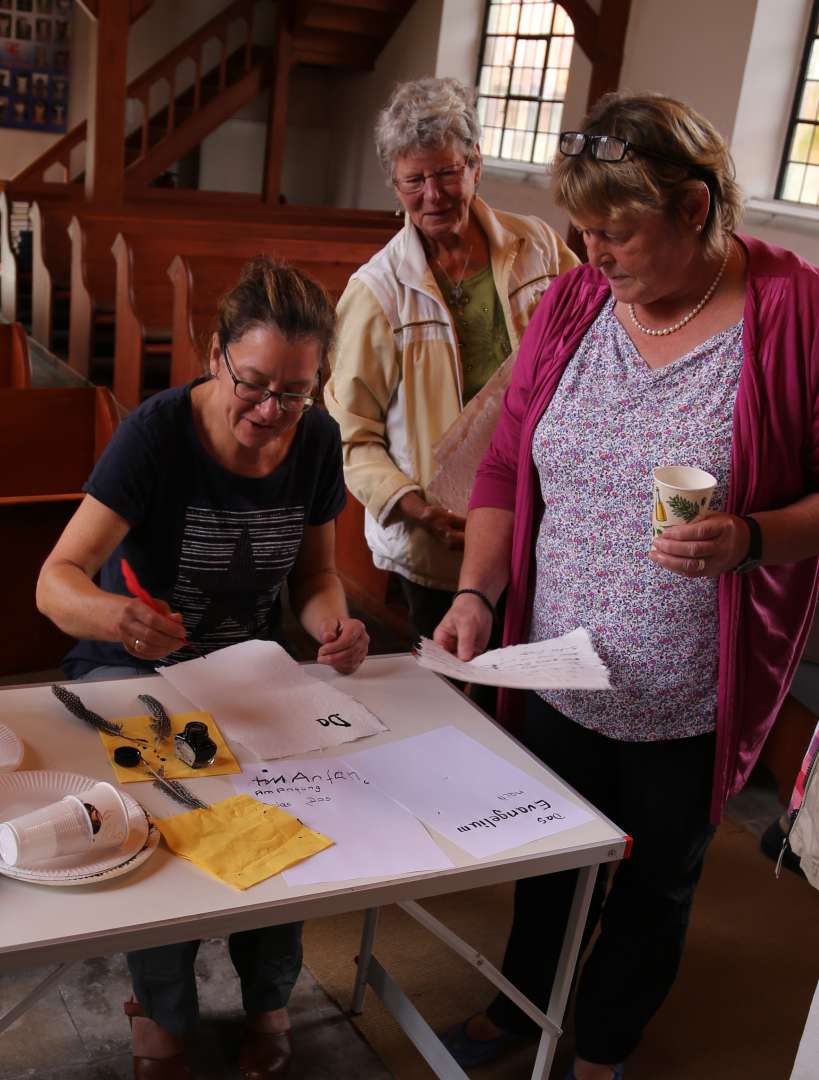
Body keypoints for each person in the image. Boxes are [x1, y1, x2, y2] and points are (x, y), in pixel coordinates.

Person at [433, 92, 819, 1080]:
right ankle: (525, 999)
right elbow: (504, 469)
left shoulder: (793, 312)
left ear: (694, 209)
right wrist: (476, 594)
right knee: (548, 859)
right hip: (558, 659)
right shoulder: (572, 304)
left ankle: (603, 1041)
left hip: (688, 685)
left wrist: (754, 539)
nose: (592, 253)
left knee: (656, 882)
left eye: (617, 232)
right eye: (581, 231)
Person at [37, 257, 370, 1080]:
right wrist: (114, 613)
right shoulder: (156, 434)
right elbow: (56, 581)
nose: (270, 410)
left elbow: (315, 578)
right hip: (132, 673)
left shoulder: (316, 439)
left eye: (294, 393)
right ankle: (161, 1013)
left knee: (284, 821)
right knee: (174, 830)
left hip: (247, 672)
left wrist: (331, 624)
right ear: (215, 351)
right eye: (253, 384)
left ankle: (267, 998)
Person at [325, 76, 577, 641]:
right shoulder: (378, 291)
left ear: (475, 165)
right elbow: (349, 433)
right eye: (414, 180)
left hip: (537, 514)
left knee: (524, 673)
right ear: (395, 183)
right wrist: (415, 507)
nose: (433, 195)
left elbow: (588, 344)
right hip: (438, 532)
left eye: (446, 172)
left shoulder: (537, 246)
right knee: (452, 675)